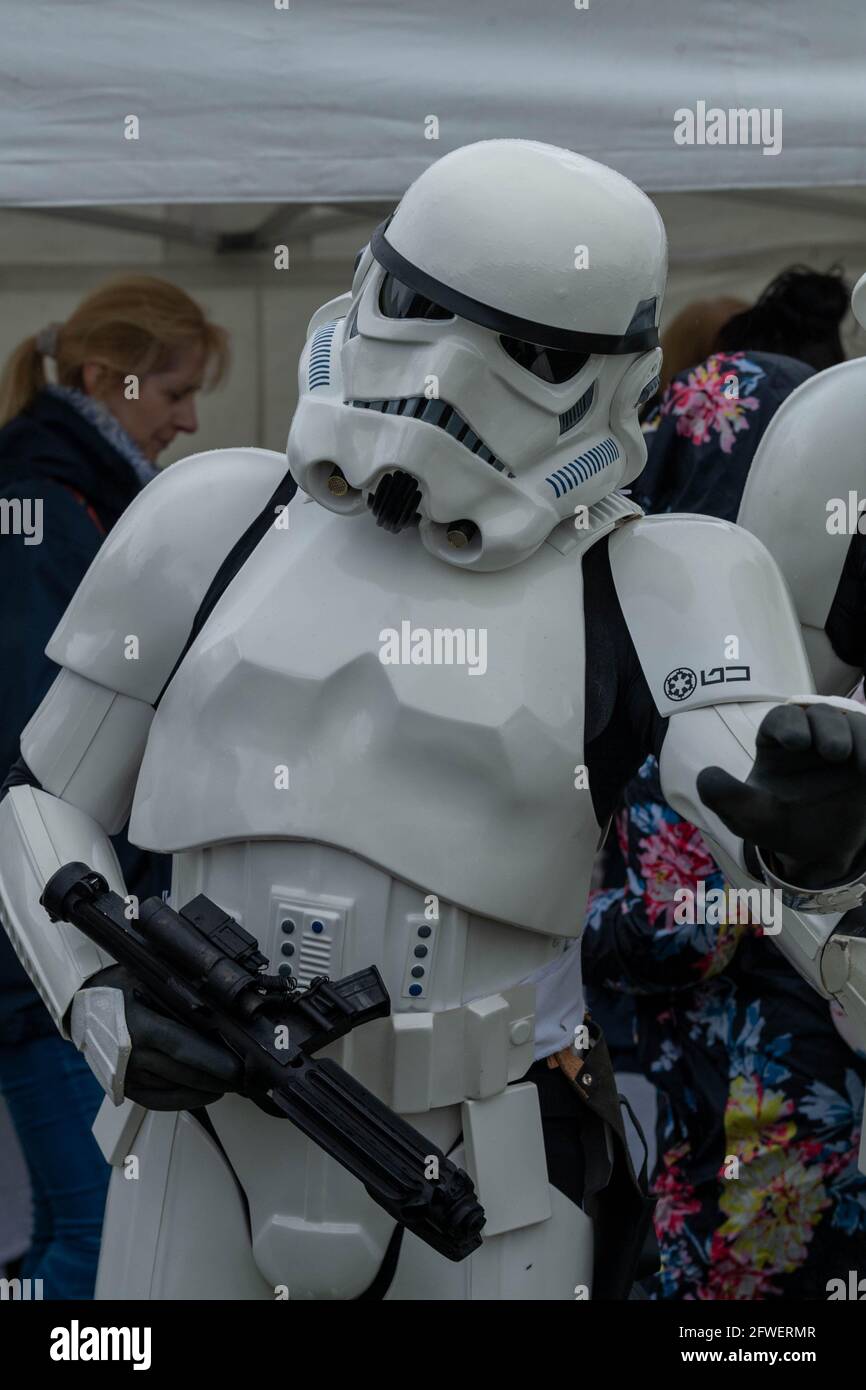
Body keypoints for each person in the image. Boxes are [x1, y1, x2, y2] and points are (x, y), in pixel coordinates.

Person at [2, 142, 866, 1303]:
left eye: (531, 354)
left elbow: (748, 783)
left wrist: (816, 838)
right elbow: (41, 805)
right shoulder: (209, 517)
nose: (450, 382)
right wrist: (96, 1001)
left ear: (614, 378)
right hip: (200, 1142)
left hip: (482, 1161)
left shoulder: (663, 577)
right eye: (420, 310)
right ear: (366, 291)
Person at [585, 266, 866, 1299]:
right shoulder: (690, 703)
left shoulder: (681, 696)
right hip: (748, 1142)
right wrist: (780, 888)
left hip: (759, 1141)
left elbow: (639, 930)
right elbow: (651, 934)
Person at [0, 275, 228, 1298]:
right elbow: (41, 750)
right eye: (173, 392)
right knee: (99, 1240)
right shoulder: (48, 507)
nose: (189, 420)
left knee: (75, 1224)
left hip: (59, 925)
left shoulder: (74, 491)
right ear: (105, 377)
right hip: (49, 938)